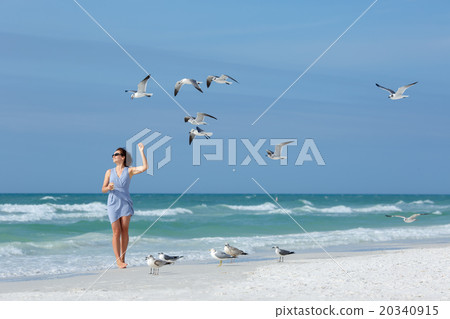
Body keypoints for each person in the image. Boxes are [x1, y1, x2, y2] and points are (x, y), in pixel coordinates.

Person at [102, 143, 148, 268]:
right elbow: (103, 189)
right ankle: (117, 260)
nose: (113, 156)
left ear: (123, 157)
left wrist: (141, 151)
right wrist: (108, 187)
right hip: (112, 204)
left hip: (125, 203)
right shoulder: (109, 172)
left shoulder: (129, 171)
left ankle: (122, 258)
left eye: (116, 154)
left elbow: (145, 167)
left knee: (125, 231)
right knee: (116, 232)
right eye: (113, 155)